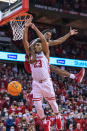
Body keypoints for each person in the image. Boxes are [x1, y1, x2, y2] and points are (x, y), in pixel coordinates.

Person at [23, 17, 62, 131]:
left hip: (46, 82)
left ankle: (58, 116)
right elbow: (25, 42)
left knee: (52, 103)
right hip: (36, 84)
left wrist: (34, 27)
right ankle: (45, 122)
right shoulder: (30, 55)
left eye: (39, 45)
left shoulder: (45, 53)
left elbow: (44, 41)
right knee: (38, 106)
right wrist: (26, 27)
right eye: (36, 45)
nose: (37, 46)